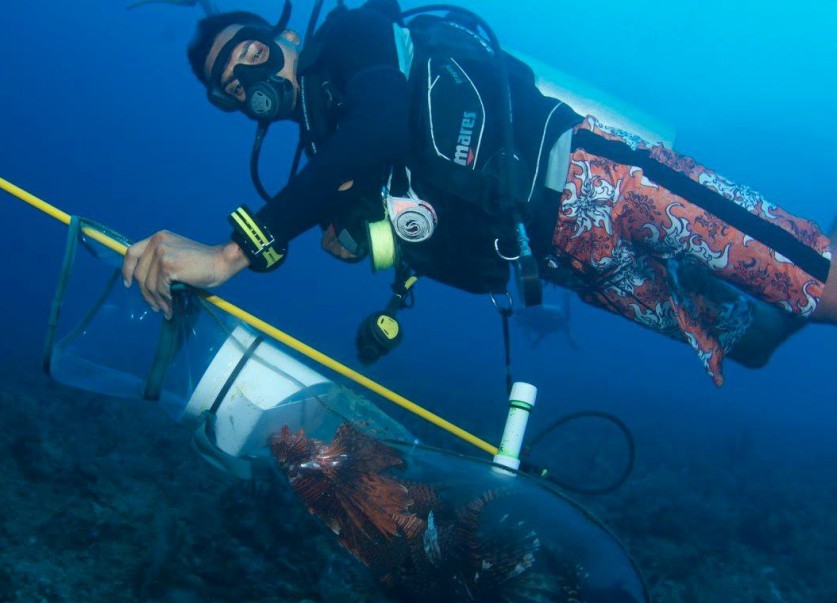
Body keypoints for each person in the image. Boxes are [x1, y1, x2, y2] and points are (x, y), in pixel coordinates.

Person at [121, 0, 835, 385]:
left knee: (817, 282)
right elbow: (415, 232)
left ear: (279, 32)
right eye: (231, 90)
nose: (249, 83)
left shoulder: (348, 35)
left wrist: (226, 254)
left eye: (248, 55)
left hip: (600, 179)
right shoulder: (329, 166)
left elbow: (379, 126)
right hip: (566, 262)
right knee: (748, 344)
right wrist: (360, 236)